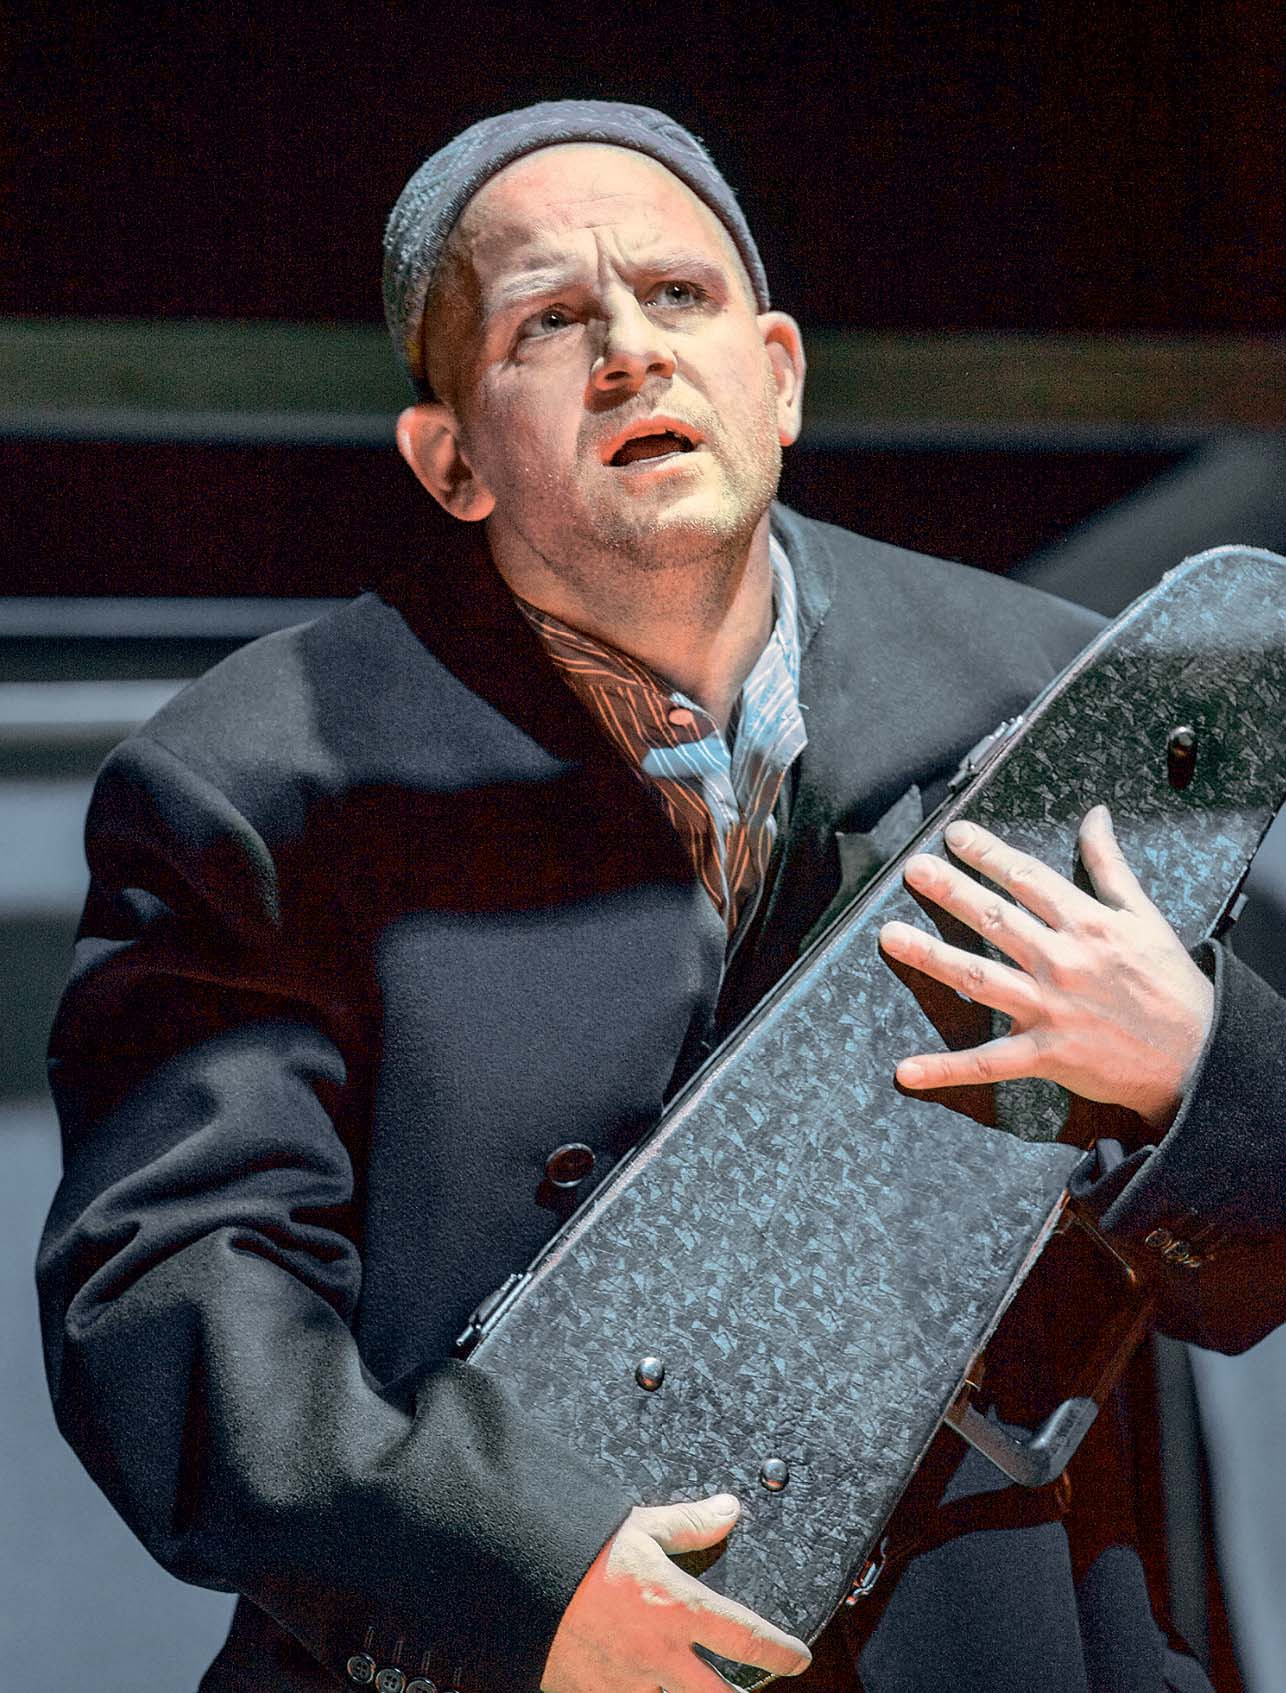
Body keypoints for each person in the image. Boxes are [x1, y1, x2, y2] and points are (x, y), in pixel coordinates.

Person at [37, 101, 1286, 1693]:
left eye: (677, 296)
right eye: (549, 323)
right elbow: (172, 1296)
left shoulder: (1044, 693)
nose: (630, 349)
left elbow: (1237, 1256)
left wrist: (1196, 1067)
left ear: (778, 373)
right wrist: (522, 1580)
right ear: (449, 459)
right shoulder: (261, 778)